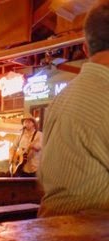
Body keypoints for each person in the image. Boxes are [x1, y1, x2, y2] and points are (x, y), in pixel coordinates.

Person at [38, 1, 109, 217]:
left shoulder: (61, 99)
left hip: (47, 229)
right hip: (93, 238)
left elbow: (43, 178)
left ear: (86, 49)